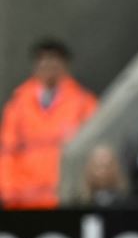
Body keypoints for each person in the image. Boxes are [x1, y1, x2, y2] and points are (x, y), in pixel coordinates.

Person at [0, 38, 97, 208]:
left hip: (65, 200)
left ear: (65, 66)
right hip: (23, 202)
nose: (49, 68)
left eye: (54, 62)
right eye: (44, 62)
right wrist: (8, 191)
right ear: (36, 67)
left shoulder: (84, 104)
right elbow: (7, 151)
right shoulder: (18, 105)